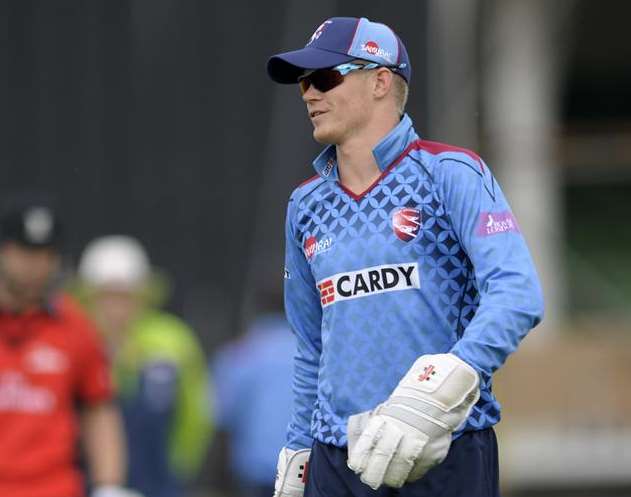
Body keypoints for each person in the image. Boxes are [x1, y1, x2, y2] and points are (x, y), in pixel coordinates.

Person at [266, 16, 544, 497]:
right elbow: (312, 345)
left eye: (325, 78)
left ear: (379, 81)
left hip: (445, 446)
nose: (309, 93)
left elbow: (517, 294)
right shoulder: (304, 205)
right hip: (337, 459)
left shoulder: (449, 173)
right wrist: (297, 448)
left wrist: (440, 391)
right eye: (304, 83)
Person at [0, 199, 138, 497]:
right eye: (25, 254)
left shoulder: (74, 327)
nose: (35, 267)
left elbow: (99, 408)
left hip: (53, 487)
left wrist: (109, 485)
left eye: (46, 256)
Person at [77, 235, 213, 497]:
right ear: (89, 297)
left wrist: (177, 469)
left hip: (158, 482)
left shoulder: (173, 339)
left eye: (124, 296)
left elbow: (197, 414)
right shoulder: (76, 338)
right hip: (86, 478)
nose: (116, 307)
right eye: (107, 296)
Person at [212, 305, 296, 497]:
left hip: (252, 468)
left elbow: (223, 414)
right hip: (302, 466)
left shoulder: (242, 350)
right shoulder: (316, 349)